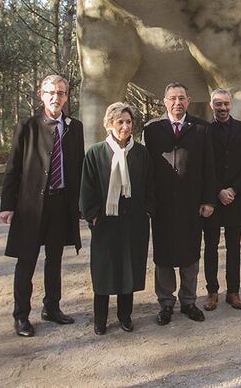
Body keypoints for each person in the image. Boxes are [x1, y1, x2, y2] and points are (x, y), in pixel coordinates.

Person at [0, 75, 83, 337]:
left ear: (67, 96)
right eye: (50, 92)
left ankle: (52, 307)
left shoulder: (74, 127)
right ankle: (21, 316)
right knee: (26, 261)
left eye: (60, 92)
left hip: (60, 203)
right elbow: (13, 168)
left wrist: (80, 205)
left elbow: (78, 168)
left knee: (55, 260)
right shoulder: (27, 126)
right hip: (30, 206)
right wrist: (7, 205)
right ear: (41, 95)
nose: (55, 97)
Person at [143, 82, 216, 325]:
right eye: (172, 98)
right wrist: (149, 202)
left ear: (189, 100)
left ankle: (188, 301)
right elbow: (147, 169)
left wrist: (208, 200)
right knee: (163, 255)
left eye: (182, 98)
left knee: (190, 253)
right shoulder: (152, 129)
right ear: (164, 101)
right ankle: (165, 303)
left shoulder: (202, 129)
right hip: (161, 204)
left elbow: (209, 167)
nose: (177, 103)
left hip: (191, 203)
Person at [79, 102, 153, 335]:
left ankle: (125, 316)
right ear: (110, 124)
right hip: (105, 222)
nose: (125, 126)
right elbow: (87, 188)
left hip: (133, 222)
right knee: (103, 270)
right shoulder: (96, 152)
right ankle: (100, 319)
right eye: (120, 122)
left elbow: (150, 185)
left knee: (128, 268)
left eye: (128, 122)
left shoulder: (141, 152)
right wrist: (93, 216)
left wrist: (147, 211)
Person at [202, 88, 241, 311]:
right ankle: (212, 291)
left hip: (235, 199)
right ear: (211, 105)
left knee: (234, 248)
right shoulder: (203, 131)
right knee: (211, 247)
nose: (222, 108)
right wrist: (218, 191)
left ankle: (233, 292)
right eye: (218, 104)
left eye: (225, 104)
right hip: (212, 200)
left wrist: (233, 189)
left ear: (231, 104)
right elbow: (203, 166)